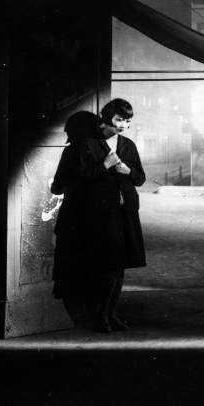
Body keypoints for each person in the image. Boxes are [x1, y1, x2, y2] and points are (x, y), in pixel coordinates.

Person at [83, 98, 146, 332]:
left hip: (126, 211)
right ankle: (100, 316)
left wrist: (128, 171)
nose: (123, 125)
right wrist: (104, 165)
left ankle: (111, 313)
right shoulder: (90, 144)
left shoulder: (128, 145)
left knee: (120, 267)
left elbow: (140, 179)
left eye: (128, 121)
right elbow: (80, 180)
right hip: (102, 214)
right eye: (119, 119)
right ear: (107, 116)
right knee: (107, 266)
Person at [51, 111, 99, 326]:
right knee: (91, 270)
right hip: (95, 220)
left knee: (69, 270)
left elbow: (56, 187)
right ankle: (91, 316)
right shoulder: (101, 153)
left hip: (72, 218)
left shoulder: (70, 153)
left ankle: (78, 318)